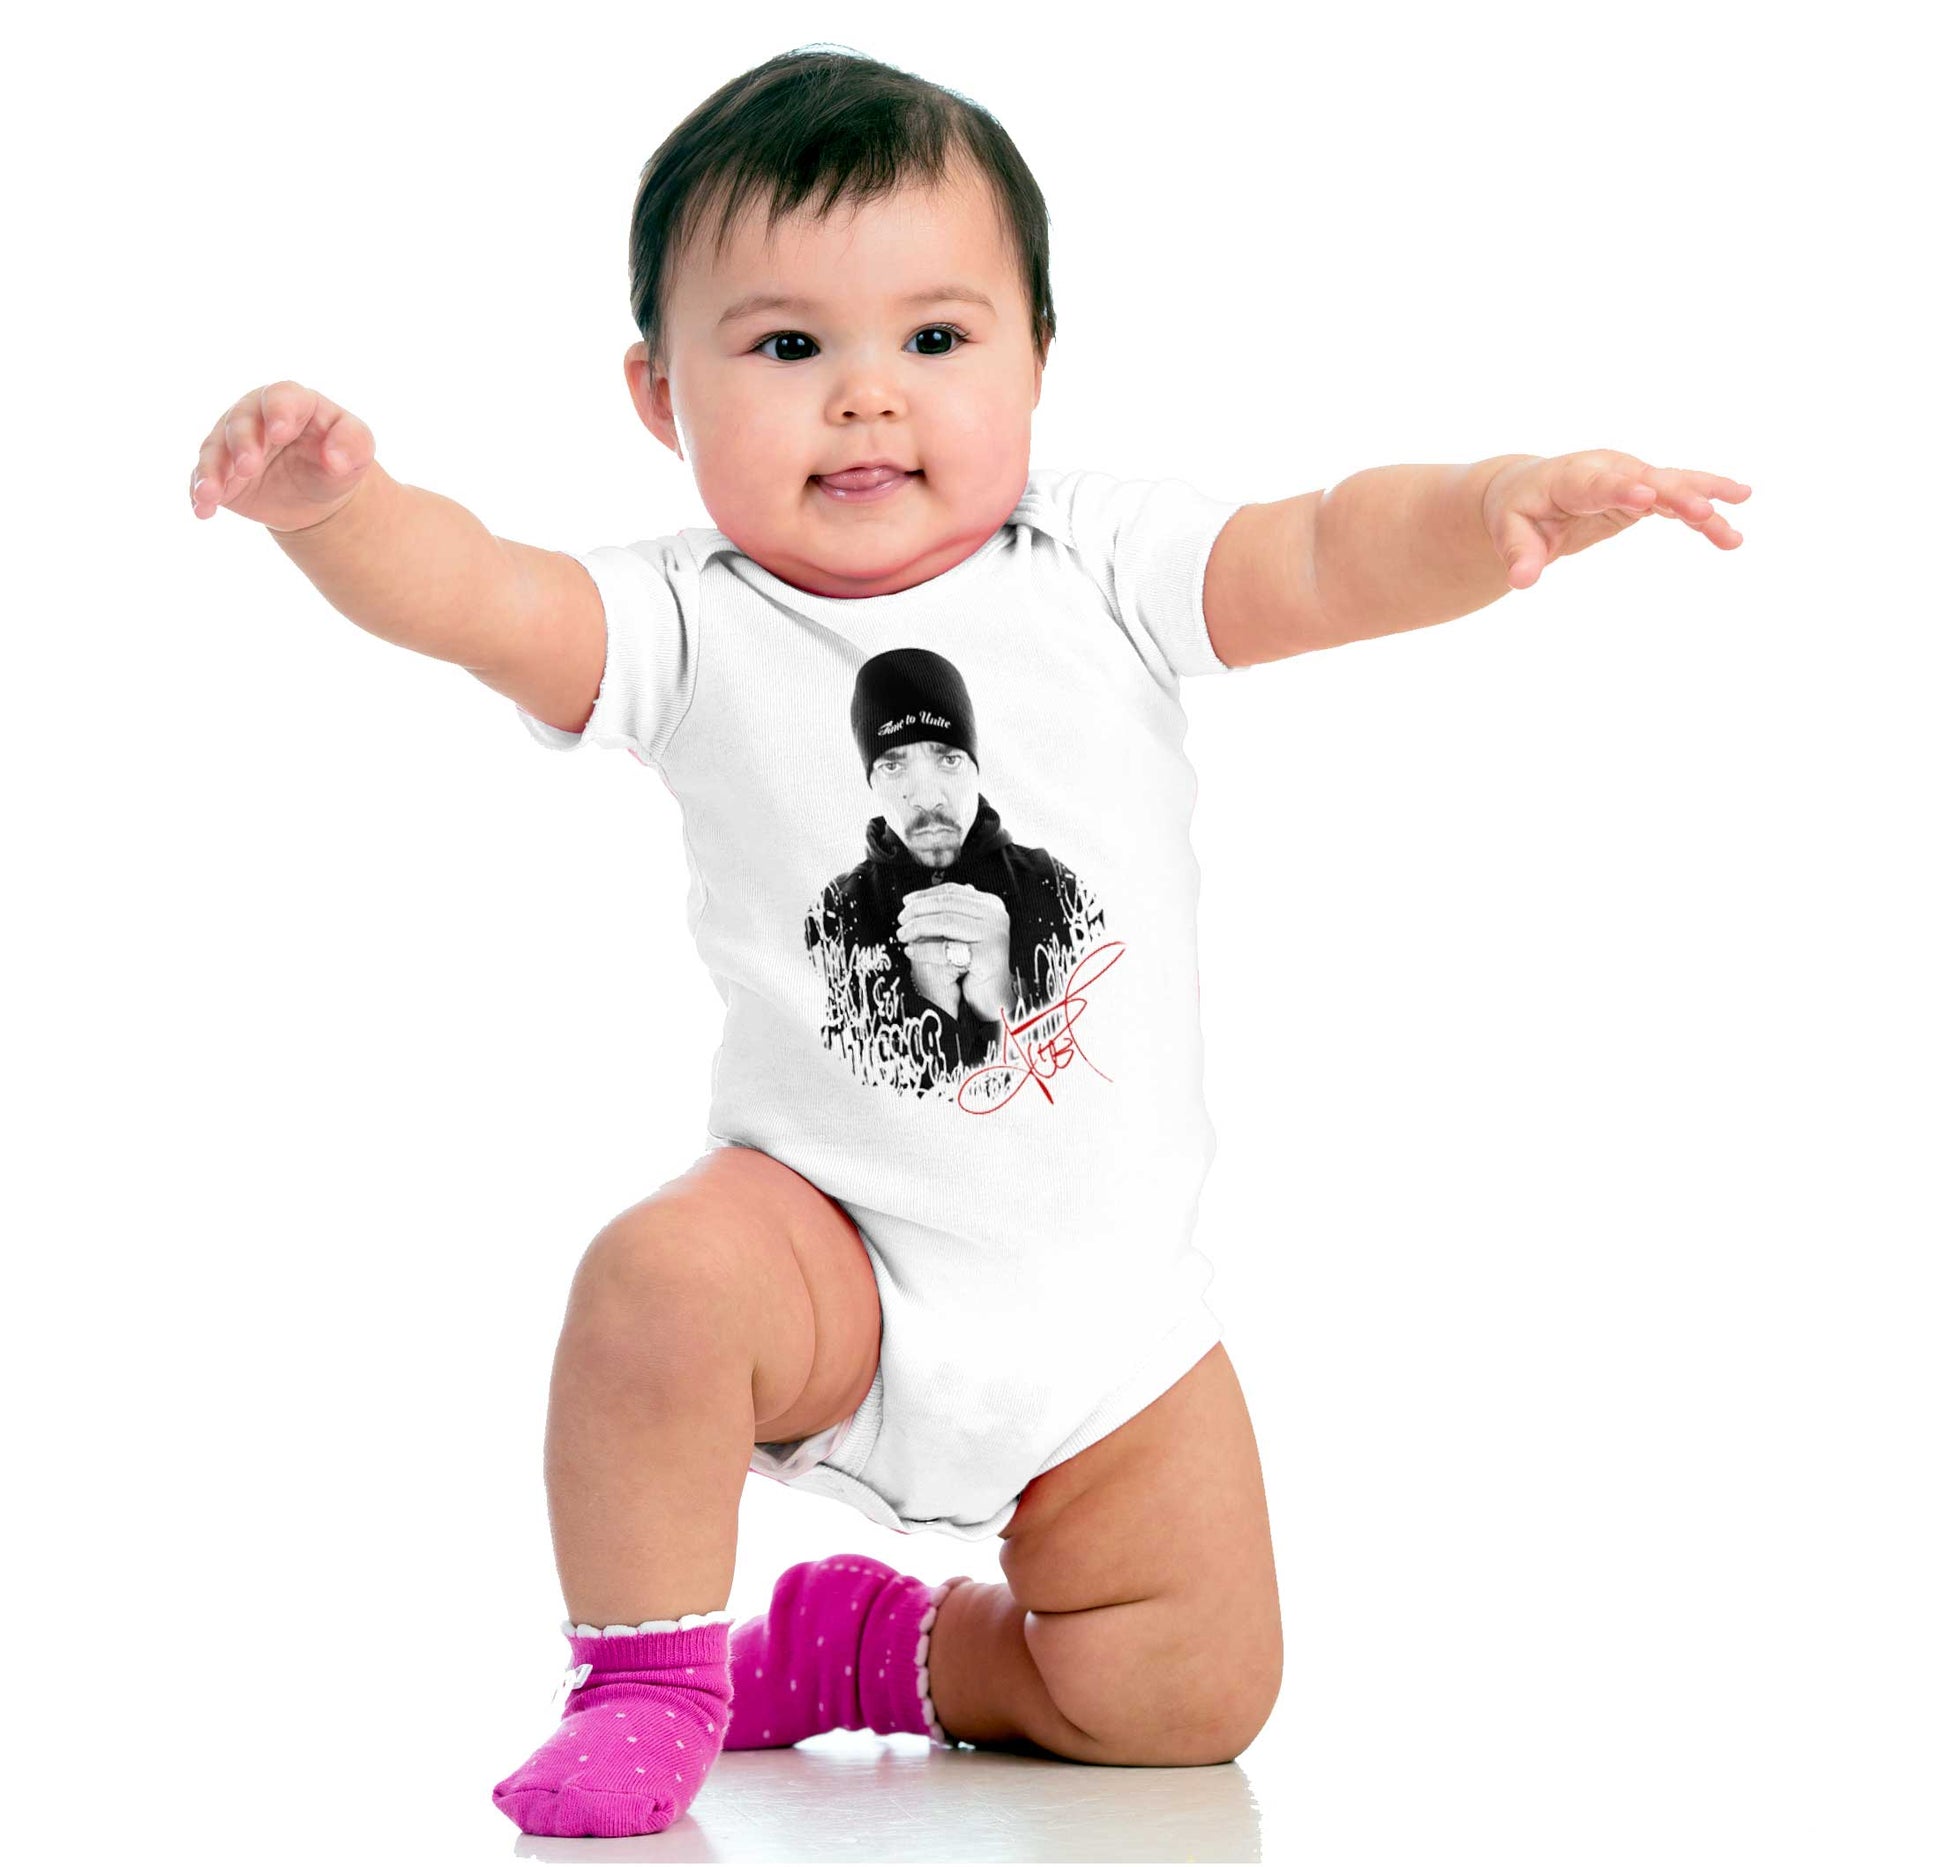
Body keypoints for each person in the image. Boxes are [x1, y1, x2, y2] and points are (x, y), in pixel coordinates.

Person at [186, 44, 1750, 1842]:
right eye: (786, 349)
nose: (866, 400)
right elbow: (475, 590)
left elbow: (1323, 547)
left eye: (935, 341)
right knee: (656, 1287)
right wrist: (340, 517)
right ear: (656, 393)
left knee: (1184, 1698)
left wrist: (1488, 509)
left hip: (1106, 1320)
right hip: (830, 1247)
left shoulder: (1096, 559)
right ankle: (645, 1674)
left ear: (1035, 357)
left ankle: (881, 1656)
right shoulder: (686, 621)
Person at [806, 645, 1108, 1100]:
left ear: (975, 769)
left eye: (947, 758)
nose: (927, 798)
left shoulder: (1057, 891)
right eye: (893, 764)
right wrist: (928, 1008)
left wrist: (1003, 998)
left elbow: (1105, 1070)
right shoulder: (835, 918)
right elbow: (837, 1099)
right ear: (872, 783)